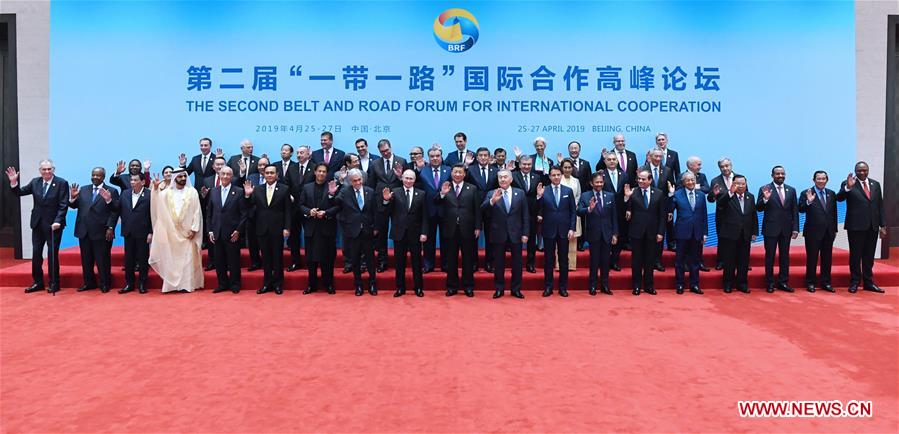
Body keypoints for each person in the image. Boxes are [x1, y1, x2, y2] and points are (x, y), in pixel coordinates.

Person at [7, 161, 69, 293]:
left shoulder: (61, 183)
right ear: (40, 170)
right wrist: (13, 182)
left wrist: (58, 221)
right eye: (44, 169)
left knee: (52, 255)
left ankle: (54, 283)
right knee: (36, 254)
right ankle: (38, 282)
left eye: (49, 169)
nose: (47, 172)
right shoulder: (35, 182)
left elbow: (63, 205)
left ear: (53, 169)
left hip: (54, 225)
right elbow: (19, 192)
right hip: (37, 224)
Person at [148, 168, 203, 293]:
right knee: (172, 261)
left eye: (184, 176)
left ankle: (186, 285)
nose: (183, 178)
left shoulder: (192, 192)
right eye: (180, 176)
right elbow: (157, 205)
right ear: (174, 178)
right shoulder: (166, 193)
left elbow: (197, 212)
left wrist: (194, 229)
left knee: (187, 260)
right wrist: (155, 189)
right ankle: (172, 286)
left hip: (188, 233)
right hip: (171, 233)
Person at [836, 161, 886, 293]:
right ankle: (855, 282)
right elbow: (839, 198)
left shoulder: (875, 184)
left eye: (865, 170)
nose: (862, 172)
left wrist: (883, 225)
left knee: (869, 256)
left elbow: (880, 206)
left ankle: (868, 282)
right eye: (859, 170)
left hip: (872, 226)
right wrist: (848, 187)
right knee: (855, 255)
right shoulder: (848, 183)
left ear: (868, 170)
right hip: (856, 226)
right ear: (855, 171)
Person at [69, 167, 119, 293]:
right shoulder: (83, 189)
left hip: (102, 231)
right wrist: (73, 198)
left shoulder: (111, 191)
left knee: (103, 260)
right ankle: (89, 283)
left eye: (98, 175)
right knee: (86, 260)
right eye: (93, 175)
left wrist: (110, 227)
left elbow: (115, 211)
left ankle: (105, 283)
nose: (95, 177)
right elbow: (75, 205)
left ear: (103, 177)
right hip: (84, 230)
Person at [243, 164, 291, 295]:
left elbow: (287, 210)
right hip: (262, 228)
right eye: (267, 173)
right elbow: (249, 206)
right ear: (264, 175)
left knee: (277, 258)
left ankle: (278, 284)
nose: (269, 175)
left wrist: (287, 227)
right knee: (266, 258)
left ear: (277, 175)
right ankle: (267, 284)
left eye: (272, 173)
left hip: (278, 229)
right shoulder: (258, 189)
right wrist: (247, 196)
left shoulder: (284, 189)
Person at [436, 164, 482, 297]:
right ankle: (452, 286)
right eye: (455, 172)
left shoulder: (472, 188)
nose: (457, 174)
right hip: (450, 229)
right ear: (451, 173)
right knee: (451, 260)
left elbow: (477, 210)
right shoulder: (446, 186)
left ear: (464, 174)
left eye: (460, 172)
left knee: (468, 259)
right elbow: (436, 202)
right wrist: (442, 194)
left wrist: (478, 227)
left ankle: (468, 286)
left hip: (468, 228)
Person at [482, 169, 528, 299]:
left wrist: (525, 233)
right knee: (498, 263)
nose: (503, 179)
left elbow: (525, 215)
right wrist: (492, 201)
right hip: (498, 233)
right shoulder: (491, 193)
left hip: (516, 233)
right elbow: (482, 209)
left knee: (517, 264)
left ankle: (516, 289)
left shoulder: (520, 193)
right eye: (500, 177)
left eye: (505, 177)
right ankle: (499, 289)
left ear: (511, 179)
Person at [381, 169, 428, 297]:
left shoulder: (421, 194)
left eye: (411, 178)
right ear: (402, 178)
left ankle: (418, 288)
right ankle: (400, 288)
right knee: (399, 262)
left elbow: (425, 216)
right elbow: (386, 213)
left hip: (415, 233)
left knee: (416, 262)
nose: (408, 180)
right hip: (399, 232)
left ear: (414, 180)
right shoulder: (394, 192)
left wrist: (424, 232)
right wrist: (386, 201)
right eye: (406, 178)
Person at [331, 169, 378, 296]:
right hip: (352, 231)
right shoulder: (345, 192)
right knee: (355, 260)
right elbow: (336, 203)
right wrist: (331, 194)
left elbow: (375, 211)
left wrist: (375, 227)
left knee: (370, 259)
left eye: (359, 180)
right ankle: (358, 285)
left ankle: (372, 284)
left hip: (367, 230)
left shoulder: (370, 191)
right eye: (354, 181)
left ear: (362, 179)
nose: (357, 183)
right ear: (350, 181)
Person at [756, 165, 799, 293]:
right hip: (770, 229)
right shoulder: (765, 189)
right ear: (772, 175)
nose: (780, 176)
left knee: (785, 256)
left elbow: (794, 210)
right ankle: (769, 283)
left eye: (782, 174)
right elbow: (758, 208)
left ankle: (783, 282)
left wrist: (795, 228)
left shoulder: (791, 190)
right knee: (770, 256)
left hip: (786, 229)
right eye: (777, 174)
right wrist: (765, 199)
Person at [623, 169, 666, 295]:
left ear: (650, 180)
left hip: (652, 232)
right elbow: (625, 210)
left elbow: (662, 215)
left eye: (643, 179)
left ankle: (649, 285)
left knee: (650, 260)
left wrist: (660, 232)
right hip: (636, 231)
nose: (640, 181)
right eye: (639, 179)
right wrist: (626, 197)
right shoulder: (633, 192)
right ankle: (636, 286)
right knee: (636, 260)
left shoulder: (658, 193)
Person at [536, 166, 576, 297]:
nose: (556, 177)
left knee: (563, 259)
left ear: (561, 175)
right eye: (553, 175)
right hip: (548, 230)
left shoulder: (568, 191)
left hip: (564, 230)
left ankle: (563, 287)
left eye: (558, 174)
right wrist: (538, 197)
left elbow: (573, 212)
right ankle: (548, 287)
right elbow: (537, 209)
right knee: (548, 260)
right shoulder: (544, 190)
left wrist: (572, 228)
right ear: (549, 177)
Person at [299, 163, 339, 295]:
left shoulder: (332, 187)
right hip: (311, 228)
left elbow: (338, 206)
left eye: (324, 172)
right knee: (311, 260)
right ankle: (311, 285)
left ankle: (329, 284)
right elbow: (301, 205)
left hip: (327, 228)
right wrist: (309, 211)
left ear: (327, 174)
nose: (321, 174)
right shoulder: (307, 187)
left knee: (328, 259)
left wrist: (326, 213)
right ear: (315, 172)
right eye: (319, 171)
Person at [368, 139, 407, 270]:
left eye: (387, 150)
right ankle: (382, 261)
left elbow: (408, 182)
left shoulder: (401, 161)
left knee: (398, 231)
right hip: (381, 203)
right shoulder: (374, 164)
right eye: (382, 151)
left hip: (398, 202)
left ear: (391, 147)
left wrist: (400, 177)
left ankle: (399, 261)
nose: (385, 153)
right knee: (381, 233)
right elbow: (371, 184)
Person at [207, 166, 246, 294]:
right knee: (219, 261)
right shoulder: (213, 191)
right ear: (219, 175)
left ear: (232, 176)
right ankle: (222, 284)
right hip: (217, 233)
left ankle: (235, 284)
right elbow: (209, 213)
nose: (225, 176)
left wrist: (238, 230)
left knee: (234, 261)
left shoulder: (239, 191)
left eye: (228, 174)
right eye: (223, 174)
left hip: (232, 233)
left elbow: (243, 214)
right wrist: (210, 230)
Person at [577, 172, 618, 295]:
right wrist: (589, 209)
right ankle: (593, 286)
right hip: (593, 233)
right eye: (597, 182)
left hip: (607, 233)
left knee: (605, 261)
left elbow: (614, 216)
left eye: (601, 182)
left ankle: (605, 285)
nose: (599, 184)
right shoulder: (585, 196)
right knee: (594, 261)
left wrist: (615, 234)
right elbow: (579, 211)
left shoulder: (610, 196)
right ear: (591, 183)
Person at [716, 177, 758, 293]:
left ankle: (742, 284)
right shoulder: (727, 196)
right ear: (733, 184)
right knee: (729, 261)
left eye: (743, 183)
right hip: (730, 234)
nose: (740, 186)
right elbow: (720, 205)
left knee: (744, 261)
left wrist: (754, 232)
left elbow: (753, 215)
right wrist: (730, 193)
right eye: (738, 183)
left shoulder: (750, 197)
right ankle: (728, 284)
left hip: (745, 234)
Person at [667, 172, 707, 294]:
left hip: (697, 232)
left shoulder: (701, 195)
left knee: (695, 261)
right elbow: (669, 209)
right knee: (680, 261)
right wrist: (670, 195)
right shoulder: (677, 194)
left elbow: (704, 215)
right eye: (688, 180)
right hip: (682, 232)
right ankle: (680, 284)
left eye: (692, 180)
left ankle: (694, 285)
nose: (690, 182)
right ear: (683, 182)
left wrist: (705, 233)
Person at [798, 170, 837, 293]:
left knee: (827, 258)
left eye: (823, 178)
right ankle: (810, 283)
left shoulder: (831, 193)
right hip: (812, 232)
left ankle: (826, 282)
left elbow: (834, 213)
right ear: (814, 180)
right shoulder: (806, 193)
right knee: (812, 258)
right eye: (818, 179)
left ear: (827, 180)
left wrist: (834, 229)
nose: (821, 181)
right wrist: (809, 201)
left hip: (828, 232)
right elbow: (800, 209)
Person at [417, 145, 450, 273]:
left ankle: (445, 264)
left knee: (446, 240)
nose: (435, 158)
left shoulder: (449, 170)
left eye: (437, 156)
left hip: (445, 210)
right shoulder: (422, 171)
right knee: (428, 240)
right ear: (428, 158)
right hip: (428, 210)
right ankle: (428, 264)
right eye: (432, 156)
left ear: (441, 157)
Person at [117, 173, 152, 294]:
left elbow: (153, 215)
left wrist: (151, 232)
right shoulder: (125, 194)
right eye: (131, 180)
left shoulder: (149, 194)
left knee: (142, 259)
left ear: (142, 182)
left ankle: (142, 284)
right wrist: (109, 201)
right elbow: (117, 208)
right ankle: (129, 283)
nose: (132, 182)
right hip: (128, 231)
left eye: (135, 180)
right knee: (129, 260)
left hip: (143, 232)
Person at [642, 147, 675, 269]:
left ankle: (657, 261)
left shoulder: (667, 170)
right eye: (656, 156)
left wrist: (670, 209)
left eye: (660, 156)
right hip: (645, 208)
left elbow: (671, 191)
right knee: (645, 236)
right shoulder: (642, 170)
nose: (658, 158)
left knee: (659, 235)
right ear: (650, 157)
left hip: (661, 208)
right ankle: (646, 262)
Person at [467, 147, 499, 272]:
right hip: (473, 208)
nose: (483, 157)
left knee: (491, 237)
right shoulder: (470, 169)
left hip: (491, 207)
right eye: (481, 155)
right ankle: (473, 263)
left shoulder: (495, 170)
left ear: (489, 157)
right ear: (477, 157)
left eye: (486, 155)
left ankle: (489, 263)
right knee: (473, 237)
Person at [274, 143, 305, 272]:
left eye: (301, 153)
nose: (299, 155)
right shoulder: (292, 168)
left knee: (312, 236)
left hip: (310, 207)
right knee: (294, 237)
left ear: (308, 154)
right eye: (298, 153)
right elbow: (286, 184)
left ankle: (312, 262)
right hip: (293, 208)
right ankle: (295, 261)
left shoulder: (314, 167)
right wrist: (288, 195)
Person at [511, 155, 541, 273]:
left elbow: (539, 196)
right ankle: (516, 264)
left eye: (529, 164)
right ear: (519, 164)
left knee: (531, 240)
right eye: (524, 164)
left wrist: (539, 212)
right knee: (515, 241)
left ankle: (530, 264)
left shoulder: (537, 177)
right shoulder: (513, 176)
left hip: (532, 213)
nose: (526, 166)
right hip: (516, 213)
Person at [708, 157, 739, 270]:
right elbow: (710, 199)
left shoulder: (739, 178)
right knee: (722, 239)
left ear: (731, 165)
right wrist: (713, 194)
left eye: (727, 166)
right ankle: (721, 261)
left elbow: (746, 195)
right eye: (722, 166)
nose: (725, 168)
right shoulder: (715, 181)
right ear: (719, 168)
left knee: (738, 239)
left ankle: (739, 262)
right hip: (722, 215)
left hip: (737, 214)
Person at [682, 156, 711, 271]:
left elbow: (707, 189)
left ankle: (699, 262)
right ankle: (686, 263)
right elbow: (679, 190)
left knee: (698, 241)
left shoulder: (702, 176)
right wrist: (696, 187)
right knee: (686, 242)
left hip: (698, 210)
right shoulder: (681, 175)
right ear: (690, 165)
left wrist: (695, 188)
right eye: (698, 164)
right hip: (686, 213)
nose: (700, 167)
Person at [199, 156, 228, 271]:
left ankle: (226, 263)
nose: (220, 166)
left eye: (222, 164)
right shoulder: (207, 180)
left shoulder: (232, 179)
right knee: (211, 239)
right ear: (213, 166)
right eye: (217, 164)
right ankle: (212, 262)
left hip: (227, 214)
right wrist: (204, 196)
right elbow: (205, 200)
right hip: (212, 214)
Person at [600, 150, 627, 270]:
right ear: (605, 161)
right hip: (605, 210)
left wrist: (629, 209)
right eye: (609, 159)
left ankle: (614, 260)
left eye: (614, 159)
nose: (611, 161)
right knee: (605, 235)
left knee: (619, 236)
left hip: (621, 210)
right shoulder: (601, 175)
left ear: (617, 161)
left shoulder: (624, 175)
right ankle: (604, 261)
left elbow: (628, 193)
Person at [243, 157, 269, 271]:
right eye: (260, 165)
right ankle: (255, 262)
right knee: (252, 241)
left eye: (264, 164)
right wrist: (247, 195)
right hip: (252, 214)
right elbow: (245, 197)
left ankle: (267, 263)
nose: (262, 167)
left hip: (267, 215)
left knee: (266, 241)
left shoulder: (272, 177)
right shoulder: (251, 177)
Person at [557, 158, 582, 271]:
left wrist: (574, 205)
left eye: (569, 167)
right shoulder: (558, 178)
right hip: (560, 213)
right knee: (559, 239)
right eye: (565, 167)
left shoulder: (576, 181)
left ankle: (571, 265)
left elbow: (578, 195)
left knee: (572, 239)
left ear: (572, 168)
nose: (567, 169)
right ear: (562, 168)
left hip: (573, 212)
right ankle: (559, 265)